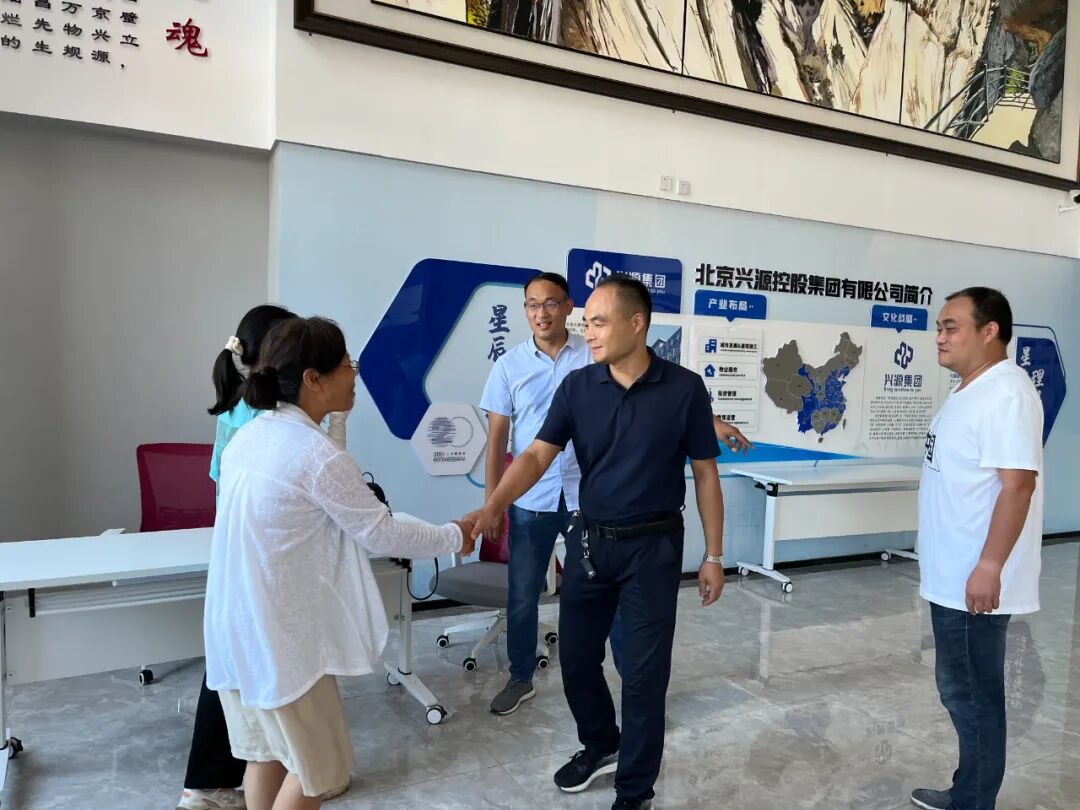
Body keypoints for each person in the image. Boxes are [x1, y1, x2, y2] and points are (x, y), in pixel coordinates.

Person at [469, 276, 727, 810]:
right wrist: (494, 504)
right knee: (578, 661)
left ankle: (634, 793)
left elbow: (705, 473)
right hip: (589, 543)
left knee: (644, 677)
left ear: (637, 324)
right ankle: (601, 742)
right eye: (586, 323)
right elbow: (536, 455)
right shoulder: (578, 387)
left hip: (654, 549)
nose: (588, 333)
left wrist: (713, 555)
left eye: (599, 322)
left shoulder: (683, 389)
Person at [203, 316, 477, 810]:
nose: (354, 374)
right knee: (316, 774)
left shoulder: (253, 436)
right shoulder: (313, 454)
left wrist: (336, 420)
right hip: (280, 642)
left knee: (267, 755)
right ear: (314, 378)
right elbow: (382, 531)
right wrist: (454, 535)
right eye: (347, 365)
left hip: (236, 630)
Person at [911, 287, 1043, 810]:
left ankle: (973, 802)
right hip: (952, 574)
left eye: (951, 327)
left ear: (990, 332)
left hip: (973, 579)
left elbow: (1018, 486)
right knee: (961, 690)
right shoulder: (971, 388)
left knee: (971, 694)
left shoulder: (1006, 393)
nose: (940, 337)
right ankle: (968, 791)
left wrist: (989, 566)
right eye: (938, 328)